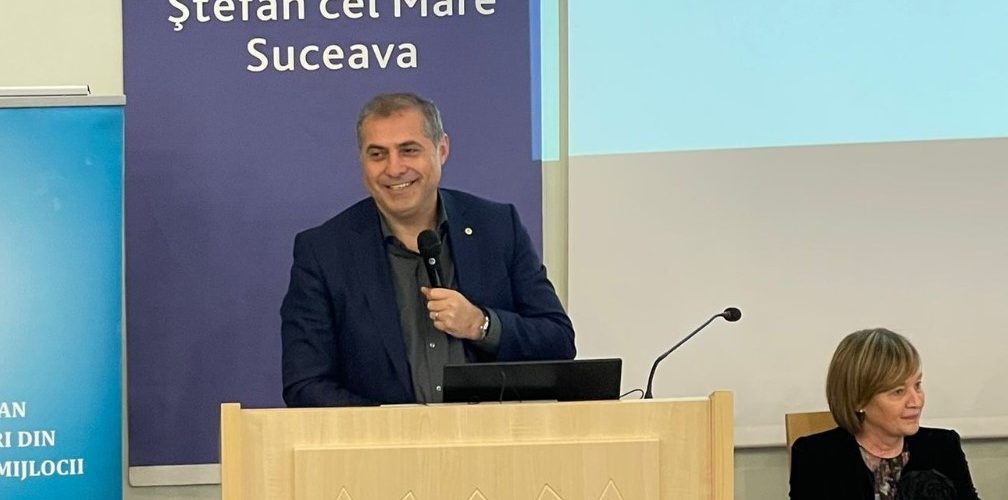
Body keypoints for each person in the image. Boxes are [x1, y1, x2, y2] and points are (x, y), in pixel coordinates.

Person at [280, 92, 576, 406]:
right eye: (378, 154)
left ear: (441, 149)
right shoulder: (324, 252)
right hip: (382, 438)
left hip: (491, 435)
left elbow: (558, 341)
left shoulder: (498, 228)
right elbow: (305, 384)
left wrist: (481, 325)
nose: (394, 168)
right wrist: (395, 425)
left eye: (409, 150)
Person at [789, 328, 980, 500]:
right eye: (898, 391)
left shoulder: (943, 446)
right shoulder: (814, 456)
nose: (916, 401)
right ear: (858, 400)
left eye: (917, 385)